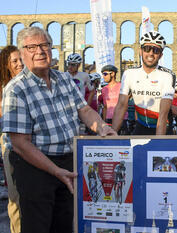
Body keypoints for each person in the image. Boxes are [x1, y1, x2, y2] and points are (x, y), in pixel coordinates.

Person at [1, 27, 117, 233]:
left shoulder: (63, 79)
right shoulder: (16, 88)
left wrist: (103, 128)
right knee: (38, 226)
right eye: (32, 47)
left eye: (44, 45)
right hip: (34, 166)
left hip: (68, 162)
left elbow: (84, 110)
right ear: (23, 52)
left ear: (52, 49)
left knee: (65, 224)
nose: (40, 51)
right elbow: (20, 143)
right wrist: (54, 171)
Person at [111, 31, 175, 135]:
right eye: (147, 48)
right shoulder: (129, 74)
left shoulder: (167, 76)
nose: (151, 53)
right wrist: (112, 134)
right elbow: (122, 105)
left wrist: (159, 143)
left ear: (161, 55)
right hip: (141, 126)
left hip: (162, 128)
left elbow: (163, 114)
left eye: (156, 50)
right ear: (140, 51)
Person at [0, 45, 23, 233]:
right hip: (9, 142)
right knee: (15, 194)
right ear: (6, 65)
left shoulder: (30, 83)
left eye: (21, 59)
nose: (19, 64)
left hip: (33, 142)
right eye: (14, 61)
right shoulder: (2, 88)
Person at [100, 64, 128, 133]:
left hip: (121, 118)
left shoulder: (122, 86)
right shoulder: (104, 89)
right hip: (108, 119)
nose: (103, 76)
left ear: (112, 74)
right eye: (103, 74)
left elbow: (124, 104)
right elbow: (105, 107)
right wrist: (104, 122)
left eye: (105, 74)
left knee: (122, 142)